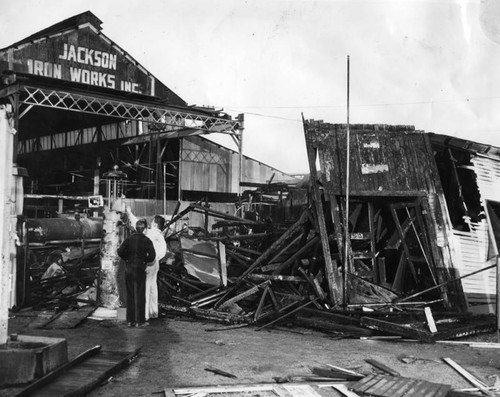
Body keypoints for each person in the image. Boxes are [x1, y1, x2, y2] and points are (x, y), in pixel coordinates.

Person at [126, 208, 167, 321]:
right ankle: (154, 312)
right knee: (153, 288)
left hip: (148, 263)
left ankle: (145, 315)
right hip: (156, 264)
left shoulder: (152, 232)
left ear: (155, 223)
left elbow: (137, 225)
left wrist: (129, 212)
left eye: (152, 221)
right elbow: (163, 252)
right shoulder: (160, 236)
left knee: (145, 288)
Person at [117, 219, 156, 327]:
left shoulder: (129, 239)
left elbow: (120, 252)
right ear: (144, 229)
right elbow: (152, 256)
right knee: (140, 294)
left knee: (130, 295)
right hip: (139, 269)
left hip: (129, 269)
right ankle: (140, 321)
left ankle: (130, 321)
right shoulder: (147, 240)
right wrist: (144, 261)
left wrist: (127, 259)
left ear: (136, 228)